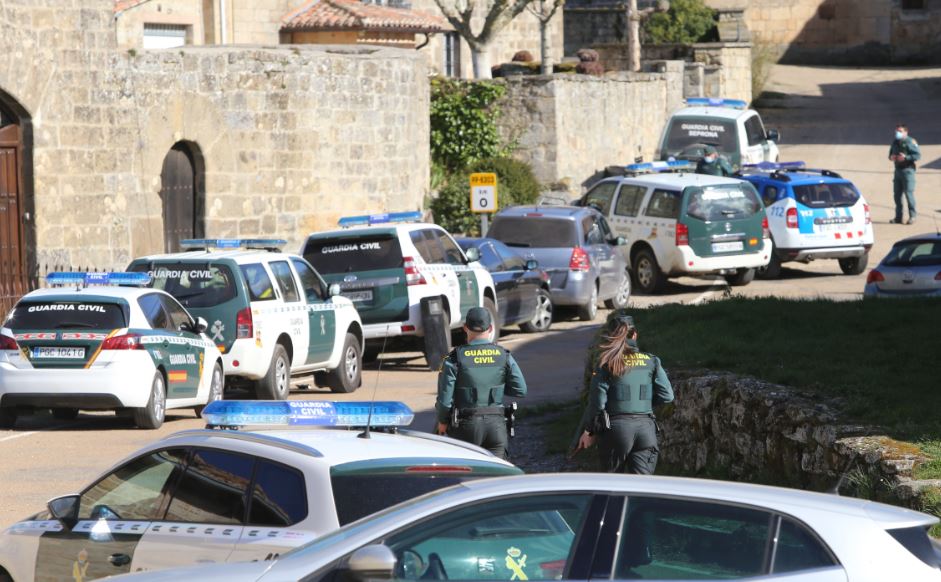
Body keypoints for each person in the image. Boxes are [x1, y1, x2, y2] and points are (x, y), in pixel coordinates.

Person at [572, 314, 674, 474]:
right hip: (646, 430)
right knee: (641, 491)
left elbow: (597, 403)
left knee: (612, 488)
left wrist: (588, 431)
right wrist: (643, 405)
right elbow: (667, 396)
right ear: (635, 335)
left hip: (615, 431)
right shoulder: (652, 361)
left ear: (611, 337)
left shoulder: (606, 364)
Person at [435, 307, 527, 459]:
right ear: (490, 328)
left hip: (465, 426)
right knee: (496, 476)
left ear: (465, 328)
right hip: (496, 426)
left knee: (467, 475)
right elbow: (521, 389)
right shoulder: (503, 355)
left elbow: (445, 402)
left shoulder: (454, 359)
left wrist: (442, 422)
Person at [888, 123, 921, 225]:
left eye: (900, 131)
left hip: (908, 171)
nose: (898, 133)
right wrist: (892, 157)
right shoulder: (895, 142)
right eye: (896, 131)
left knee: (908, 194)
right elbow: (890, 154)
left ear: (906, 132)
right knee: (897, 195)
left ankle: (912, 216)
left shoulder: (910, 141)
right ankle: (898, 217)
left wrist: (906, 157)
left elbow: (917, 155)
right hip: (897, 171)